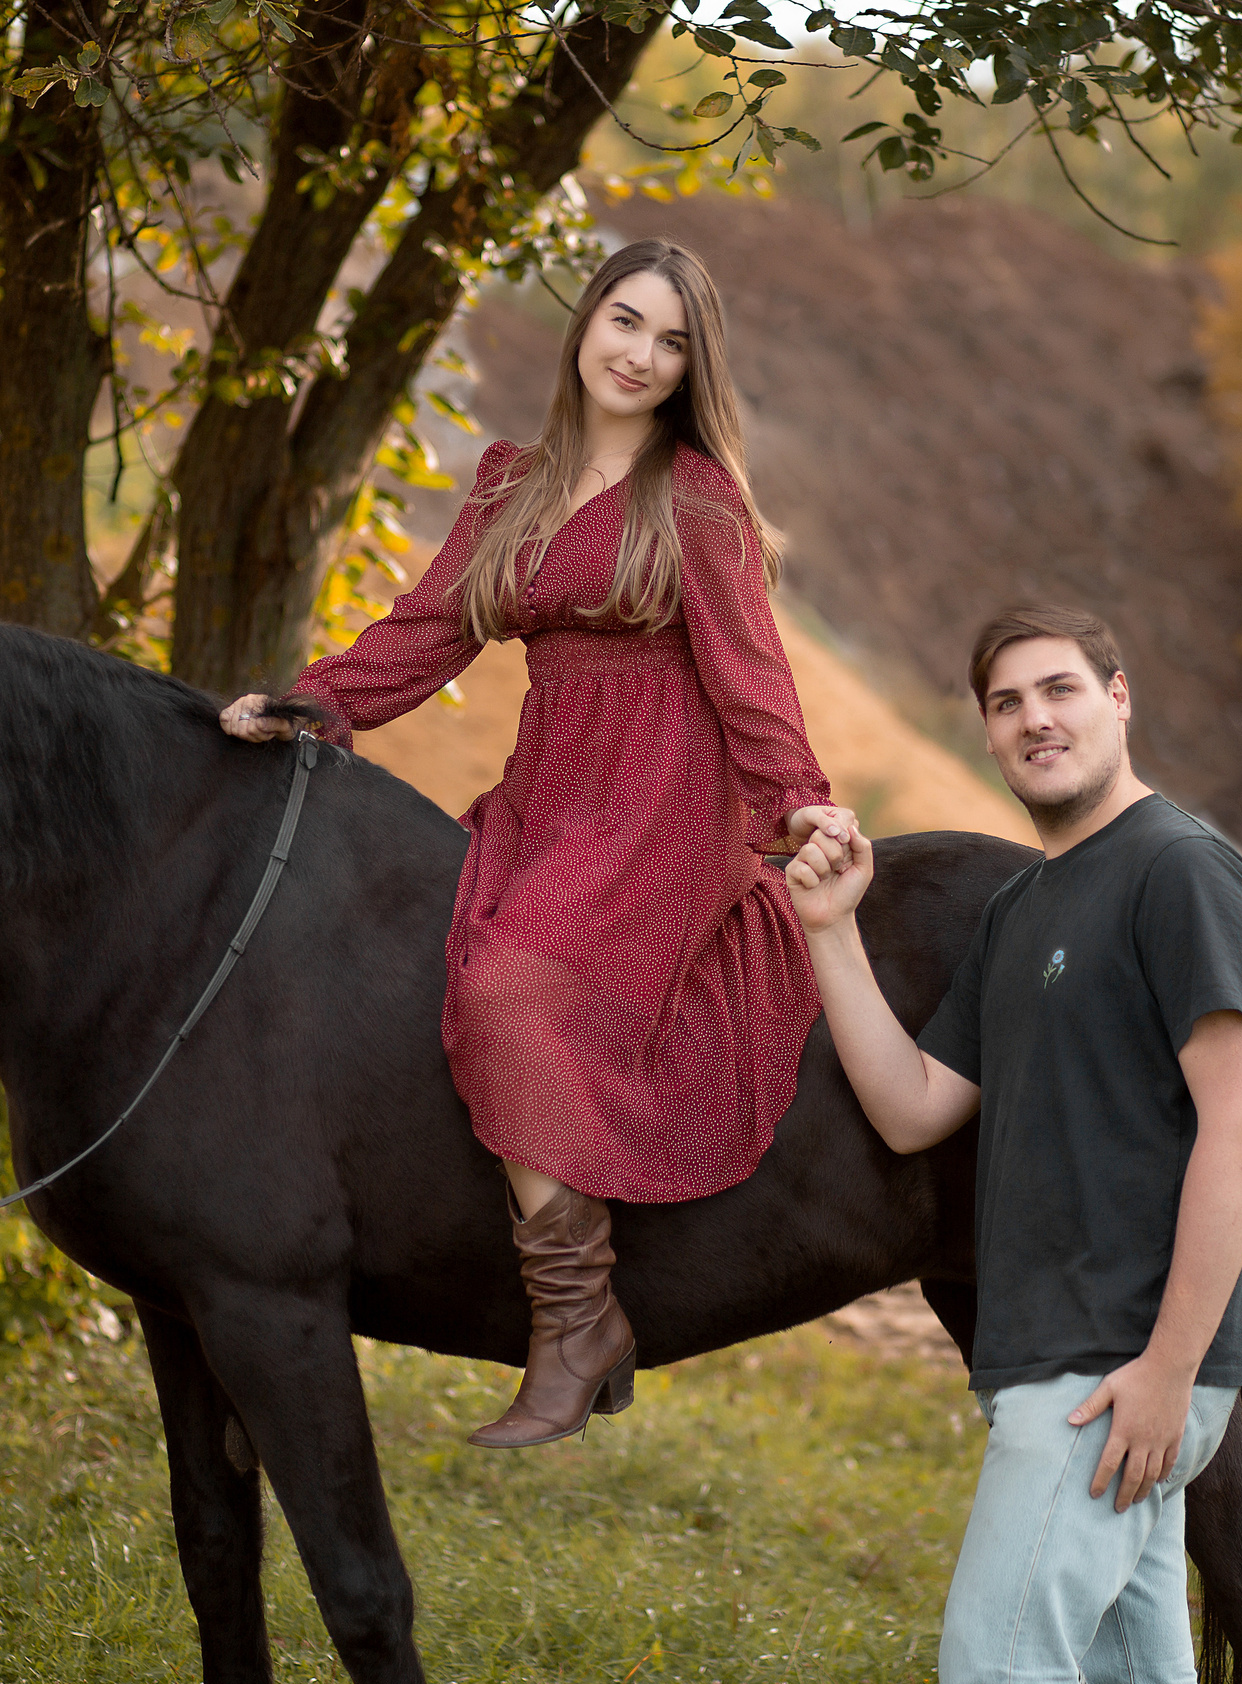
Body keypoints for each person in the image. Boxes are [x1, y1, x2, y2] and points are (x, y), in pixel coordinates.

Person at [220, 239, 857, 1449]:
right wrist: (315, 700)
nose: (641, 355)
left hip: (665, 804)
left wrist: (801, 801)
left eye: (671, 343)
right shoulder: (511, 479)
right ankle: (559, 1307)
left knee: (509, 991)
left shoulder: (698, 499)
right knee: (441, 971)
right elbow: (428, 629)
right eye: (625, 322)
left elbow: (749, 674)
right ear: (584, 325)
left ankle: (578, 1323)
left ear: (690, 368)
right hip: (551, 797)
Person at [783, 605, 1242, 1684]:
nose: (1033, 719)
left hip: (1116, 1367)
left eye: (1059, 689)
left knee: (998, 1677)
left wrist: (1167, 1371)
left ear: (1117, 698)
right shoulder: (1022, 910)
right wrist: (829, 928)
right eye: (1006, 703)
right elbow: (914, 1108)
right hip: (1061, 1363)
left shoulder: (1180, 872)